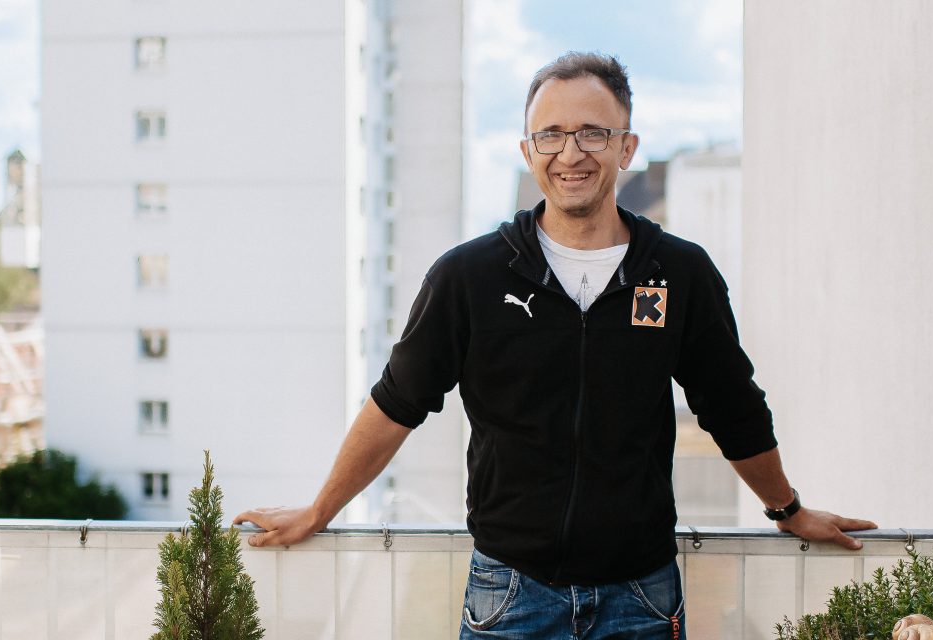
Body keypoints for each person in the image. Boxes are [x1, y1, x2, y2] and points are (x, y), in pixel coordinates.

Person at [234, 51, 876, 639]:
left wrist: (786, 509)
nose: (571, 152)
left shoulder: (680, 274)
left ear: (626, 147)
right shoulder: (470, 278)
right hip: (510, 593)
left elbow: (733, 406)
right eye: (551, 134)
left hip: (642, 596)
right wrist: (320, 510)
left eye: (593, 132)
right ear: (527, 149)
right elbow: (397, 402)